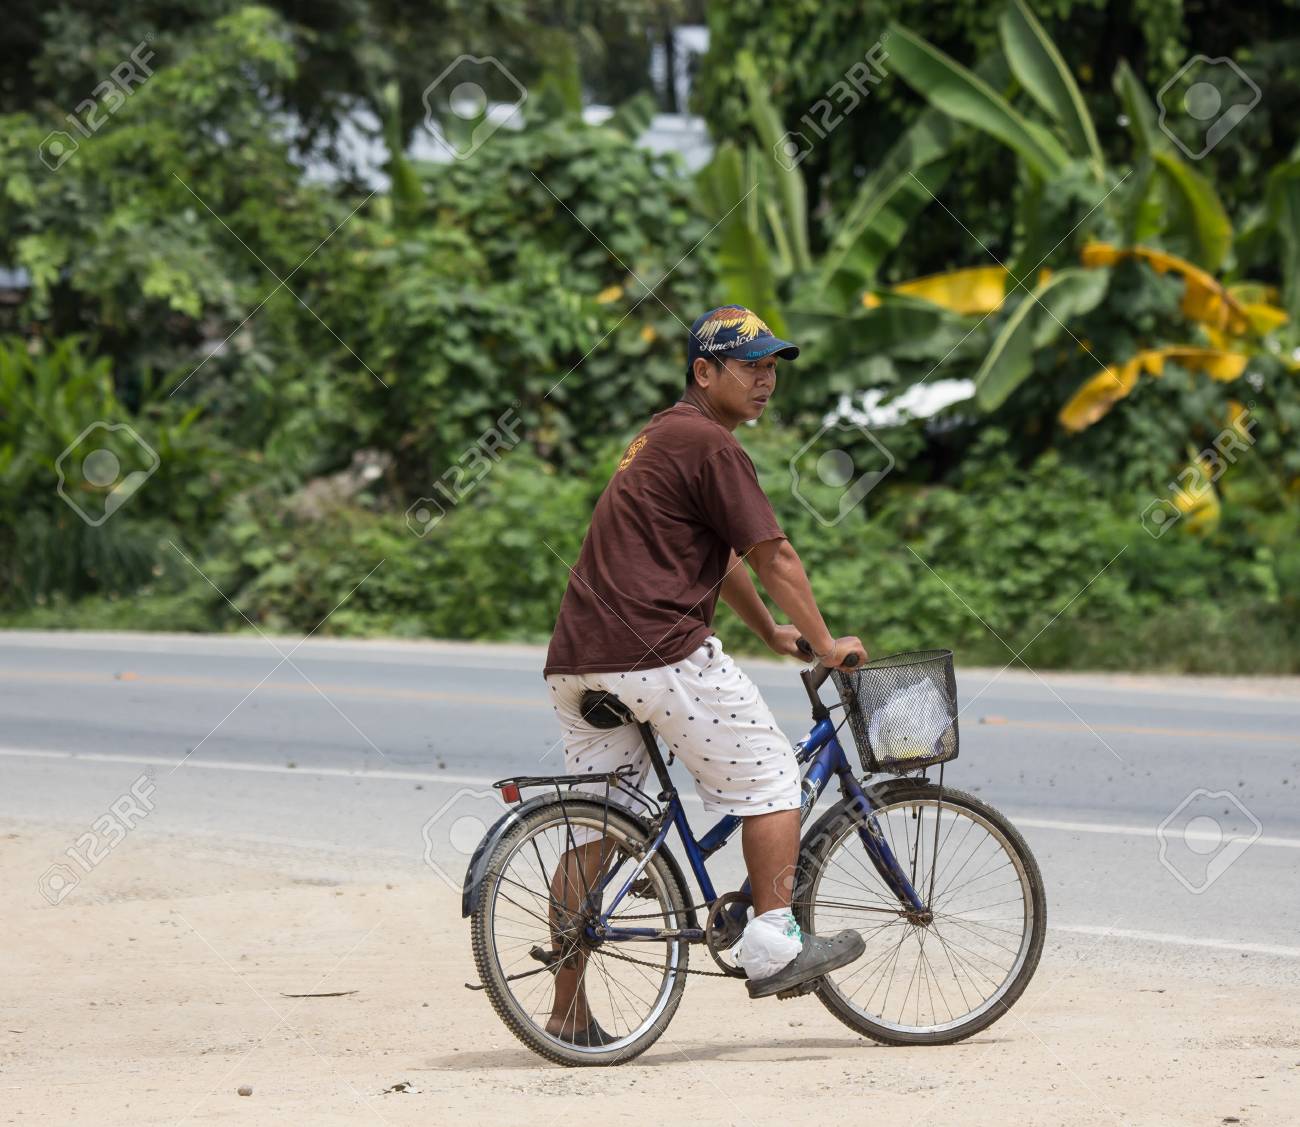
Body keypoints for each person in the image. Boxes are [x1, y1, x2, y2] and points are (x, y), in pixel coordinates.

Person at [542, 304, 868, 1043]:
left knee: (602, 826)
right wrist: (824, 643)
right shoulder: (711, 444)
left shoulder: (662, 436)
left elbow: (720, 556)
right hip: (658, 651)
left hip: (580, 659)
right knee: (775, 778)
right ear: (703, 371)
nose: (765, 381)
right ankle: (776, 944)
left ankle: (566, 1011)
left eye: (772, 368)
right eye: (750, 367)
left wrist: (772, 632)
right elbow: (773, 555)